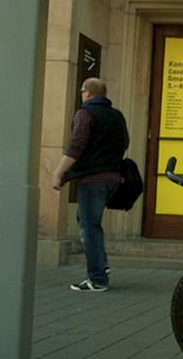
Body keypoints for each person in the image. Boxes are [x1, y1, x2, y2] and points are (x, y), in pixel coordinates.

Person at [52, 77, 127, 292]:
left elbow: (76, 146)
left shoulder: (85, 113)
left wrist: (58, 172)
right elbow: (125, 142)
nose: (81, 95)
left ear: (89, 93)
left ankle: (97, 279)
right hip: (113, 177)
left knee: (89, 227)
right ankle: (101, 264)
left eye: (82, 91)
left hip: (93, 178)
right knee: (88, 221)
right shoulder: (117, 115)